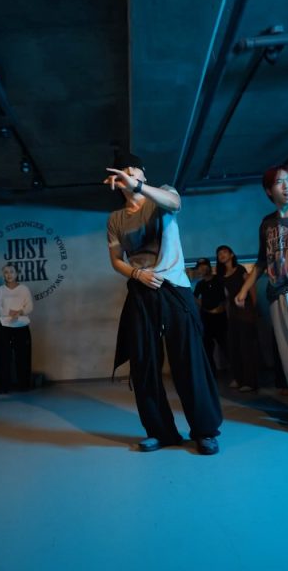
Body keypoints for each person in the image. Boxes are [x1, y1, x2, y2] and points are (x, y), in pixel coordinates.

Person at [106, 151, 223, 455]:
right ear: (115, 181)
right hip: (141, 289)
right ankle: (160, 431)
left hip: (174, 288)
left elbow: (175, 203)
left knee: (188, 360)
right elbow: (116, 260)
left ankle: (205, 431)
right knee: (143, 362)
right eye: (123, 172)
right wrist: (137, 274)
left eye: (134, 170)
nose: (129, 175)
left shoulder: (162, 195)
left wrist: (138, 187)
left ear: (143, 174)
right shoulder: (116, 219)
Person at [235, 165, 288, 433]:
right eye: (279, 182)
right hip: (277, 294)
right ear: (269, 191)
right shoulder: (267, 224)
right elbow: (261, 262)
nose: (287, 186)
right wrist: (244, 290)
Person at [216, 245, 259, 392]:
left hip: (245, 310)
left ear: (232, 255)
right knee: (234, 345)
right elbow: (227, 297)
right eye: (219, 254)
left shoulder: (240, 269)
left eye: (224, 252)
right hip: (233, 313)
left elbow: (251, 287)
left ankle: (249, 381)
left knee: (246, 346)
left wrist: (253, 307)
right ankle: (238, 378)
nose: (222, 255)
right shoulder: (222, 276)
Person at [0, 264, 34, 393]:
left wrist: (19, 312)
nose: (9, 274)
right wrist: (10, 312)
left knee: (23, 356)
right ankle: (3, 387)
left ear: (16, 273)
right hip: (4, 326)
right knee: (3, 357)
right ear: (3, 275)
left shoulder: (24, 289)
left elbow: (29, 307)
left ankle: (24, 385)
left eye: (11, 271)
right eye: (6, 272)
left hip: (21, 326)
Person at [192, 257, 228, 381]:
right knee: (207, 348)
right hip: (206, 318)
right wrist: (202, 304)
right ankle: (211, 376)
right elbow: (193, 297)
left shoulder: (219, 279)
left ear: (209, 266)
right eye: (199, 267)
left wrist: (222, 307)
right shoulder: (200, 284)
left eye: (204, 266)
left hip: (220, 318)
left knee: (226, 345)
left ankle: (237, 375)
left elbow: (226, 296)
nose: (202, 269)